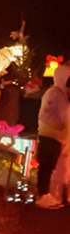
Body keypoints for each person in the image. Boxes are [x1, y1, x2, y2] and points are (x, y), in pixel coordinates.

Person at [36, 63, 70, 209]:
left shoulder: (63, 94)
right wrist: (60, 126)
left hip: (58, 136)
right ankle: (42, 196)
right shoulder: (54, 93)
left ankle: (49, 196)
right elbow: (45, 114)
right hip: (50, 135)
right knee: (46, 167)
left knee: (51, 166)